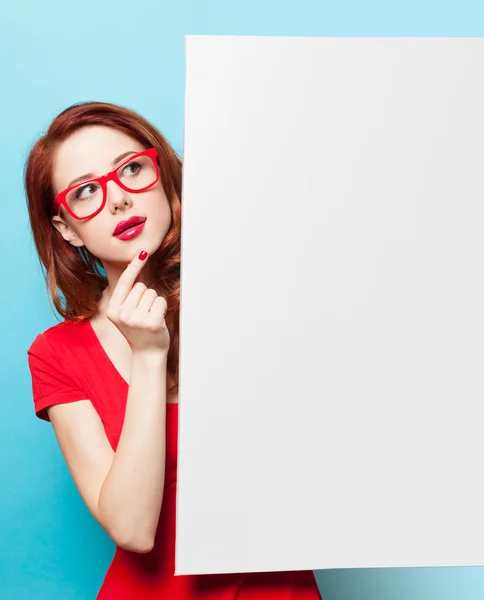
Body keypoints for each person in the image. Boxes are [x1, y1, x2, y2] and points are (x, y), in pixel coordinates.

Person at [24, 101, 323, 599]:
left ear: (164, 174)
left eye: (132, 168)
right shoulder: (58, 353)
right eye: (86, 192)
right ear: (67, 228)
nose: (118, 199)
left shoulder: (262, 306)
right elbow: (133, 529)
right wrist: (147, 355)